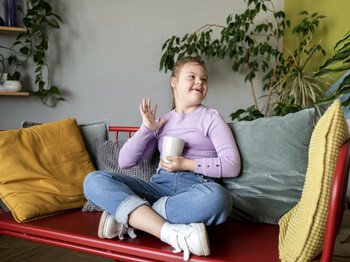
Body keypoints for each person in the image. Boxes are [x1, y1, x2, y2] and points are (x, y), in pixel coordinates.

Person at [84, 56, 241, 261]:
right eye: (192, 76)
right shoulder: (162, 122)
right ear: (174, 82)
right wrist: (147, 129)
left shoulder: (211, 117)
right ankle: (169, 232)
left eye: (204, 79)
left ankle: (135, 219)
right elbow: (125, 161)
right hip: (158, 188)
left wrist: (187, 164)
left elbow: (232, 165)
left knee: (220, 199)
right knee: (93, 180)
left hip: (195, 188)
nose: (200, 82)